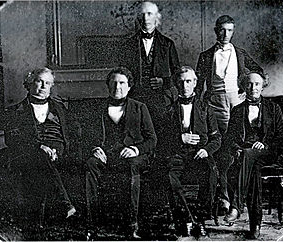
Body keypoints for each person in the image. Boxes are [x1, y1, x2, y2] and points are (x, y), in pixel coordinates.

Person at [196, 15, 264, 213]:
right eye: (222, 30)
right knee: (216, 149)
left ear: (233, 31)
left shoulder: (240, 53)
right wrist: (201, 107)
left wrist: (244, 89)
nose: (225, 34)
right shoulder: (206, 55)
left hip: (235, 103)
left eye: (229, 30)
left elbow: (258, 72)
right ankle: (219, 199)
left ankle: (233, 199)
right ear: (216, 30)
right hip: (213, 104)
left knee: (232, 150)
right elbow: (199, 85)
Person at [83, 67, 157, 239]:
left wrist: (135, 149)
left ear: (129, 86)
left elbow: (152, 139)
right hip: (106, 156)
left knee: (132, 166)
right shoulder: (98, 108)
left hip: (134, 156)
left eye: (122, 83)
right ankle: (91, 225)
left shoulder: (140, 108)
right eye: (114, 83)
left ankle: (132, 224)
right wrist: (95, 148)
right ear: (108, 85)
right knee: (90, 165)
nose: (118, 87)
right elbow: (86, 137)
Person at [4, 67, 76, 222]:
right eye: (39, 81)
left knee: (41, 162)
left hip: (57, 149)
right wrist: (39, 146)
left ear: (51, 86)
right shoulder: (15, 111)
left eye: (48, 83)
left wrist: (56, 149)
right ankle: (64, 204)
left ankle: (39, 223)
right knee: (41, 159)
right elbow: (11, 139)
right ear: (29, 84)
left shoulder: (60, 109)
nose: (43, 86)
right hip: (29, 152)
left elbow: (70, 134)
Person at [223, 71, 283, 239]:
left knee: (248, 156)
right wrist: (237, 149)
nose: (253, 87)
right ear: (244, 86)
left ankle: (236, 205)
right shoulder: (237, 110)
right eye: (249, 84)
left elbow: (281, 137)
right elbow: (229, 138)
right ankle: (255, 225)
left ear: (262, 86)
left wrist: (265, 144)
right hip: (246, 155)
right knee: (253, 172)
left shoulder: (273, 108)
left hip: (267, 152)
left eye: (257, 84)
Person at [166, 66, 221, 238]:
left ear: (195, 83)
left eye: (188, 81)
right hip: (178, 155)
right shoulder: (169, 110)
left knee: (211, 172)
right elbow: (161, 140)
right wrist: (179, 139)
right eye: (181, 82)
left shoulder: (206, 108)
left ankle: (200, 218)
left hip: (199, 155)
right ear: (176, 84)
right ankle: (186, 218)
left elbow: (217, 138)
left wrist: (206, 150)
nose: (185, 85)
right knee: (168, 175)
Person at [121, 1, 180, 162]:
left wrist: (165, 82)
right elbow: (122, 72)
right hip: (135, 98)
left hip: (159, 100)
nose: (146, 18)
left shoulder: (167, 44)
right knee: (137, 136)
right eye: (142, 14)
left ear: (157, 18)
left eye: (149, 14)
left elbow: (178, 74)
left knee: (160, 136)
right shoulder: (128, 45)